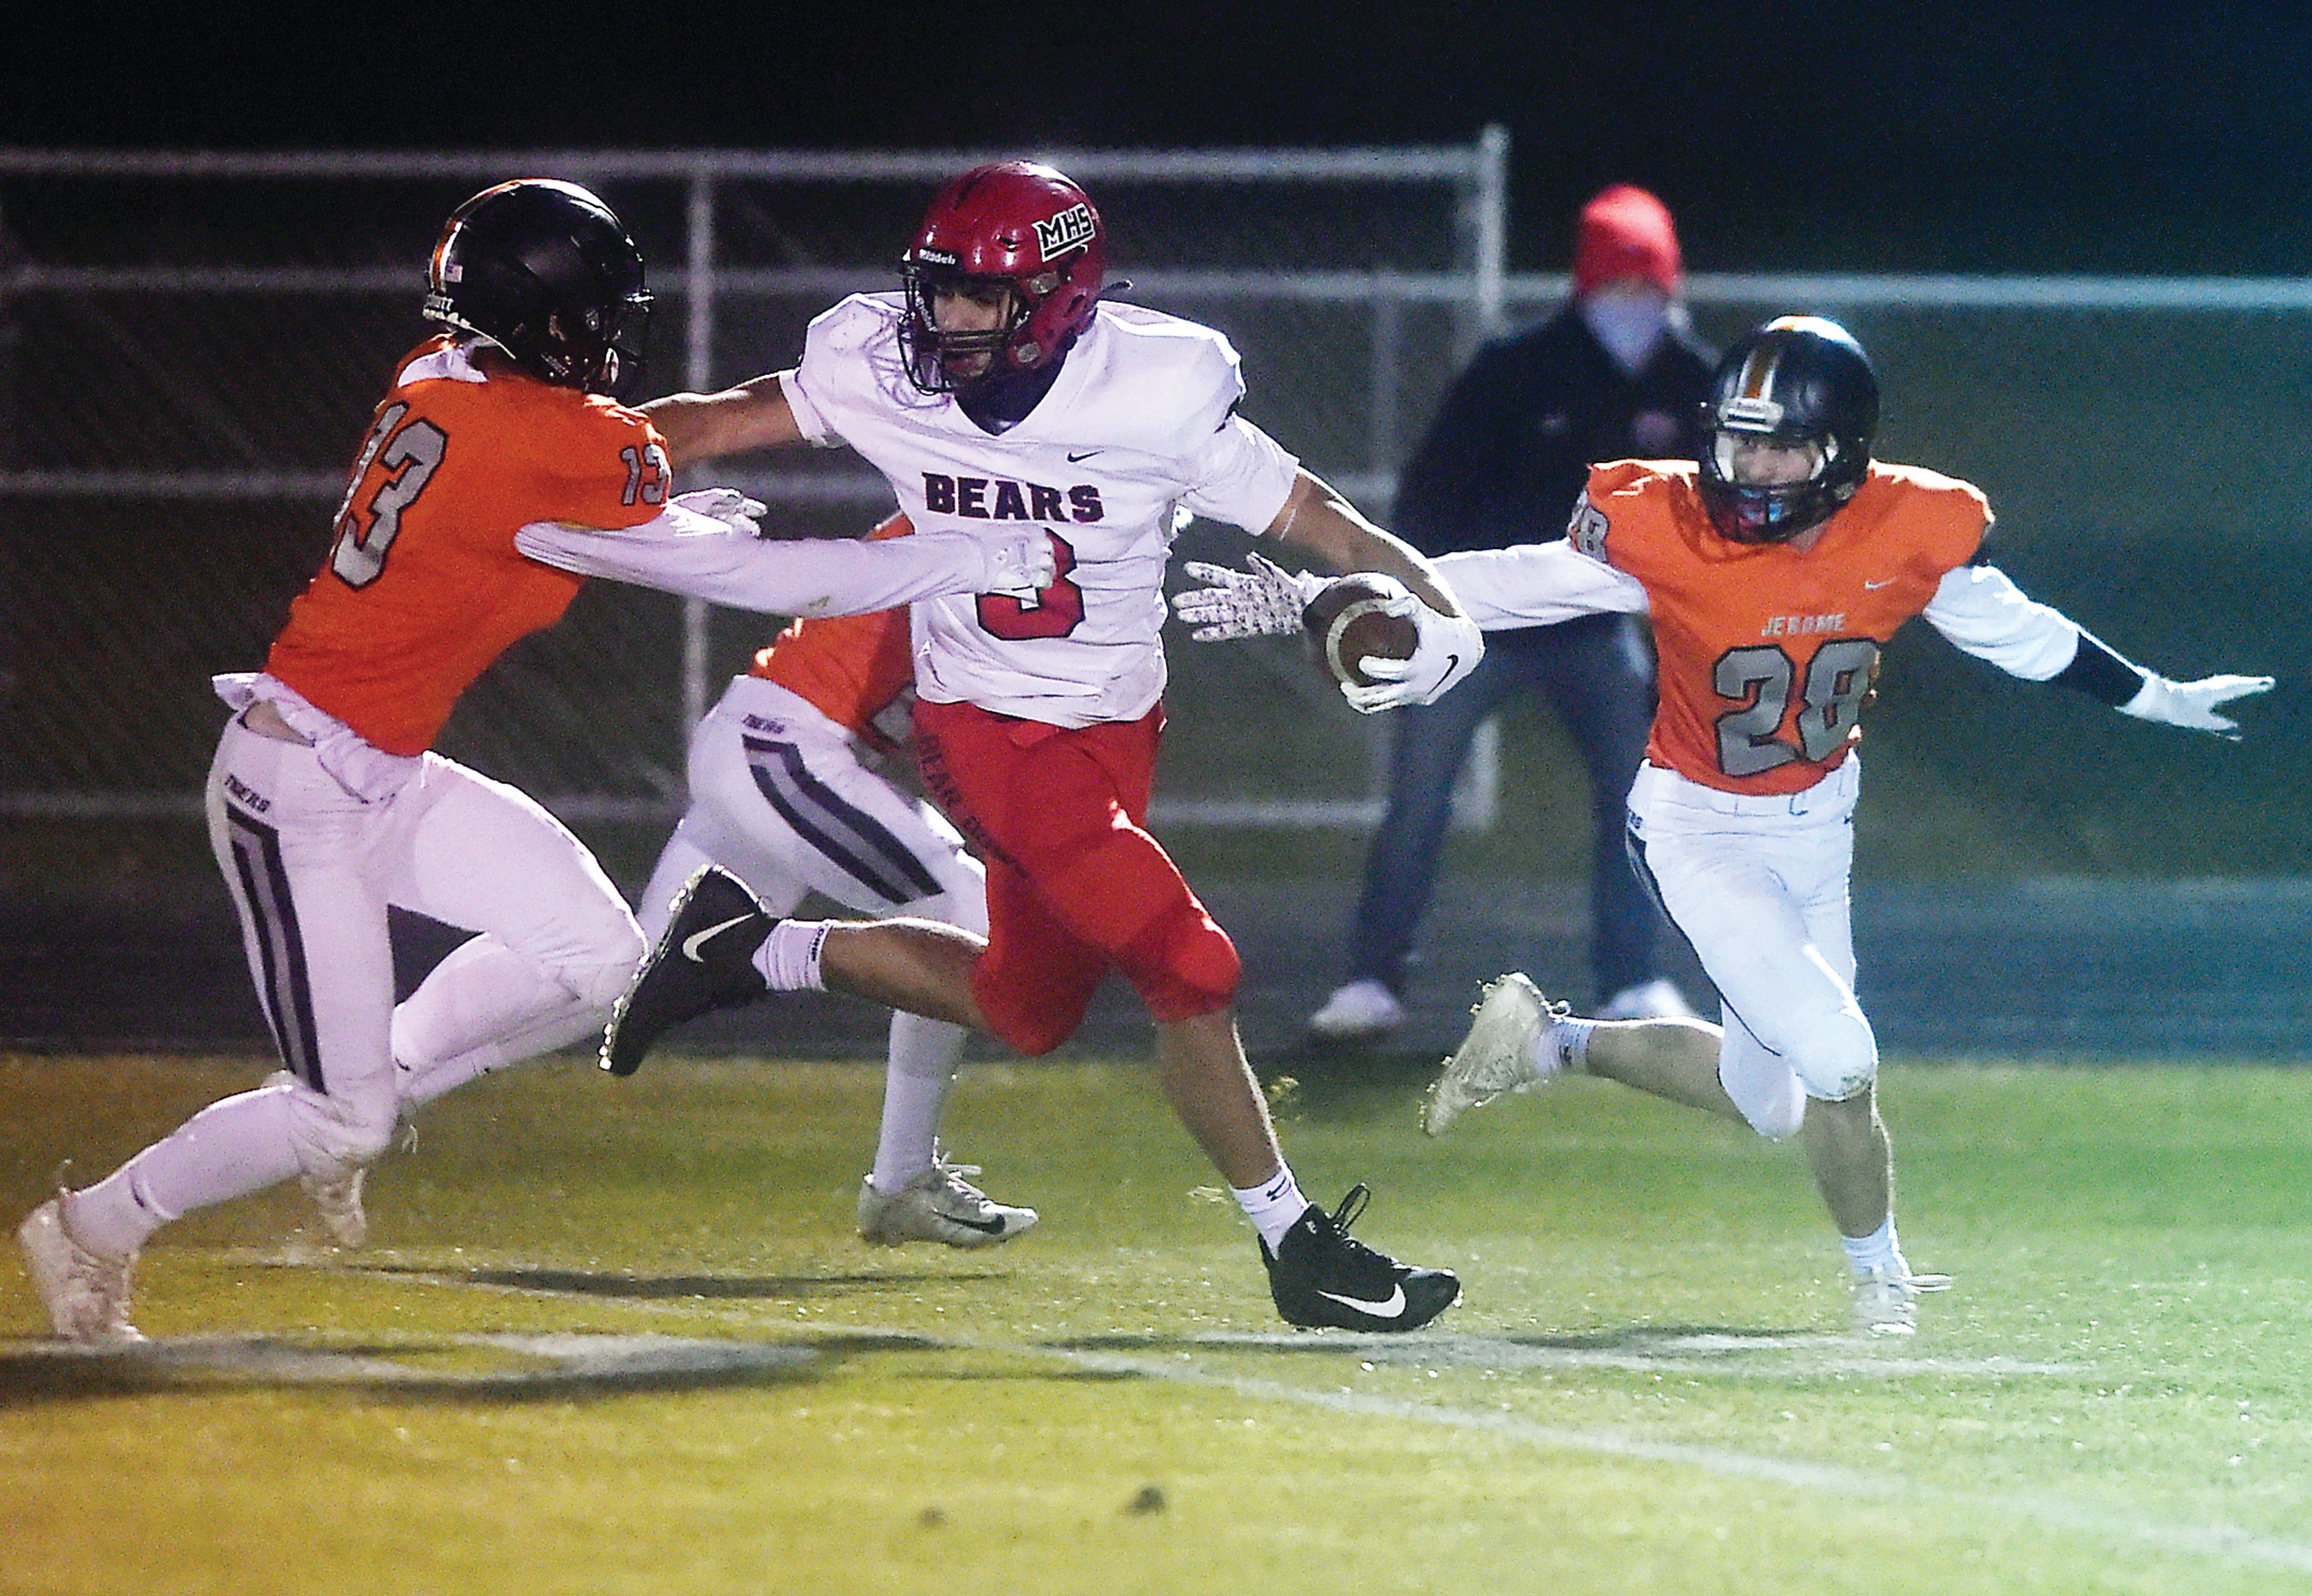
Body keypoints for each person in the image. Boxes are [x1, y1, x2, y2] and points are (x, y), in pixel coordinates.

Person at [15, 178, 1056, 1343]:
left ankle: (348, 1092)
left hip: (385, 771)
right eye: (598, 308)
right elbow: (761, 582)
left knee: (606, 963)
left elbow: (527, 517)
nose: (613, 331)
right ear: (547, 314)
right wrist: (960, 561)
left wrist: (672, 525)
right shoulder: (544, 437)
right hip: (293, 792)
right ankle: (94, 1225)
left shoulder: (440, 376)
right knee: (342, 1123)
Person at [1179, 315, 2271, 1335]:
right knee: (1840, 1054)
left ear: (1841, 450)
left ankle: (1550, 1039)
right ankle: (1880, 1282)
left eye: (1777, 449)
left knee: (1771, 1102)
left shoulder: (1910, 523)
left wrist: (2158, 697)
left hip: (1818, 827)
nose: (1749, 469)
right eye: (1737, 443)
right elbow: (1509, 585)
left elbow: (2021, 638)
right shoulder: (1671, 521)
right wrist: (1317, 593)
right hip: (1699, 824)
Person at [598, 160, 1486, 1332]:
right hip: (987, 732)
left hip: (1116, 727)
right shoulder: (879, 361)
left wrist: (1442, 616)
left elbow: (1317, 513)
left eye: (980, 297)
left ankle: (750, 946)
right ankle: (1296, 1244)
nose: (947, 319)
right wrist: (548, 458)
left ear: (1062, 295)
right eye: (937, 290)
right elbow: (715, 421)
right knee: (1190, 963)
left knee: (1028, 1006)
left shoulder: (1154, 387)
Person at [387, 513, 1037, 1251]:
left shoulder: (993, 503)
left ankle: (380, 1082)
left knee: (622, 968)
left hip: (768, 744)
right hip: (789, 750)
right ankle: (898, 1178)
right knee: (963, 904)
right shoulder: (987, 510)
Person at [1309, 184, 1714, 1043]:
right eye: (1621, 285)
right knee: (1419, 799)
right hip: (1478, 624)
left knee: (1643, 800)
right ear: (1587, 283)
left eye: (1650, 288)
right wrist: (1417, 600)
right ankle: (1371, 980)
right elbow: (1431, 487)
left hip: (1598, 634)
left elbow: (1714, 513)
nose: (1635, 307)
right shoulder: (1516, 365)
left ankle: (1634, 977)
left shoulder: (1691, 379)